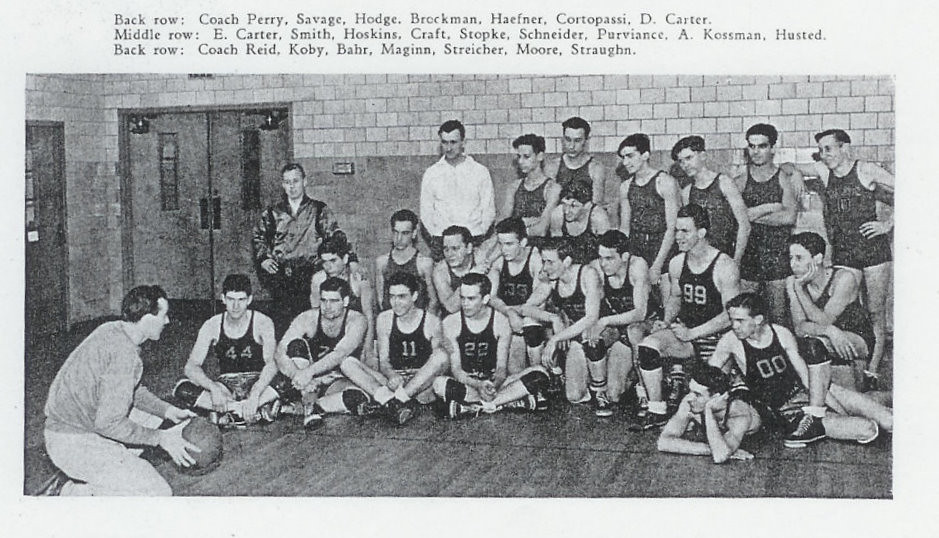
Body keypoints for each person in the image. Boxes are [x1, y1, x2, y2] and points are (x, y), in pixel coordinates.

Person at [41, 285, 198, 496]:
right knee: (158, 492)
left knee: (150, 416)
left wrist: (167, 410)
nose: (167, 321)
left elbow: (127, 389)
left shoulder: (112, 329)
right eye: (164, 315)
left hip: (65, 430)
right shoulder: (125, 355)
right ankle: (72, 494)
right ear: (147, 319)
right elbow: (109, 423)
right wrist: (161, 438)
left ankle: (113, 467)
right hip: (73, 443)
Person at [710, 292, 891, 448]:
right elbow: (706, 377)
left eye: (740, 321)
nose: (734, 326)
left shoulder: (780, 333)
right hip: (791, 410)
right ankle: (871, 400)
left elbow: (806, 378)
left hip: (817, 391)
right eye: (732, 320)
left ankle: (878, 399)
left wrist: (834, 408)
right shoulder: (729, 342)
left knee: (888, 421)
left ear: (757, 320)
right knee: (867, 429)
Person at [632, 204, 741, 430]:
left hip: (718, 340)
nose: (678, 237)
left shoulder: (724, 265)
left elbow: (731, 316)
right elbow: (675, 296)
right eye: (676, 231)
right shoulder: (677, 263)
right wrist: (668, 319)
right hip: (687, 335)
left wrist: (693, 332)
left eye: (685, 231)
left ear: (701, 233)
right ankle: (656, 409)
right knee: (648, 347)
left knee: (709, 405)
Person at [814, 128, 894, 390]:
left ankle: (872, 370)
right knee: (846, 310)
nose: (825, 155)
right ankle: (853, 364)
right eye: (821, 150)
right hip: (844, 253)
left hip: (873, 252)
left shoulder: (866, 170)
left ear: (844, 148)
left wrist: (887, 225)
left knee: (874, 312)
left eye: (829, 149)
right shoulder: (824, 172)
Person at [432, 273, 549, 418]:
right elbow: (456, 369)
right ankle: (505, 402)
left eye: (471, 298)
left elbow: (501, 368)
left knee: (540, 372)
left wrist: (494, 385)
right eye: (462, 298)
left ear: (485, 299)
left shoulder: (501, 322)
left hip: (495, 383)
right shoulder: (451, 323)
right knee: (438, 384)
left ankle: (477, 406)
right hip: (469, 383)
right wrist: (478, 385)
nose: (465, 303)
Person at [340, 272, 450, 426]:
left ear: (414, 296)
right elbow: (384, 361)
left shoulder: (431, 321)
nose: (395, 302)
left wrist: (415, 383)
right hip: (394, 381)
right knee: (347, 363)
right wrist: (392, 376)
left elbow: (438, 365)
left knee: (441, 355)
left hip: (420, 383)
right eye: (392, 296)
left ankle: (396, 400)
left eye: (402, 296)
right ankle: (393, 402)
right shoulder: (384, 319)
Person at [172, 274, 281, 427]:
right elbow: (191, 366)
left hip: (258, 382)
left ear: (249, 300)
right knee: (182, 388)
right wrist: (213, 388)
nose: (235, 306)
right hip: (226, 387)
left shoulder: (262, 322)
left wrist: (256, 392)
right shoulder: (212, 324)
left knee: (289, 376)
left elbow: (272, 363)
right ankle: (246, 410)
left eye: (241, 300)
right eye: (231, 299)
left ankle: (231, 413)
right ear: (223, 298)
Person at [517, 239, 609, 415]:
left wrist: (557, 338)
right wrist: (553, 318)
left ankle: (600, 391)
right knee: (574, 396)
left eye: (550, 262)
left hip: (599, 330)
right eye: (543, 261)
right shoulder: (553, 279)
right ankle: (544, 383)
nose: (545, 268)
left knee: (590, 338)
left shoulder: (587, 274)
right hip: (574, 334)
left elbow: (591, 317)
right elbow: (526, 307)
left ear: (566, 261)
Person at [253, 163, 341, 333]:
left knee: (309, 322)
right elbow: (258, 237)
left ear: (304, 181)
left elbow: (336, 236)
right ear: (282, 184)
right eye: (287, 182)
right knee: (282, 324)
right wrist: (263, 258)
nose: (292, 186)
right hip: (282, 276)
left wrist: (350, 260)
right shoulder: (273, 213)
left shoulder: (318, 209)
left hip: (309, 274)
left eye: (295, 181)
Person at [273, 277, 370, 430]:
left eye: (333, 301)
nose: (327, 306)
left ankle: (303, 407)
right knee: (295, 346)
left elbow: (340, 353)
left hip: (335, 379)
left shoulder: (357, 320)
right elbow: (280, 351)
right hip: (306, 380)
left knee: (357, 398)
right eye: (323, 300)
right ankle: (307, 405)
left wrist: (308, 374)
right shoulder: (307, 317)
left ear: (345, 301)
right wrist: (299, 375)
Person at [786, 232, 876, 391]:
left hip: (856, 337)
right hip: (828, 335)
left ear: (818, 259)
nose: (793, 264)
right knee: (812, 344)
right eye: (791, 258)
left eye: (799, 258)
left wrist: (800, 290)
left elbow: (825, 319)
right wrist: (829, 331)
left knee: (815, 344)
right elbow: (799, 327)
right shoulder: (792, 281)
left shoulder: (843, 278)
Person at [734, 124, 801, 325]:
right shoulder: (740, 178)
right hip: (749, 255)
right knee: (744, 315)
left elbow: (789, 217)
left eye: (762, 146)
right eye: (752, 146)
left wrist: (752, 214)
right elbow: (736, 216)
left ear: (772, 148)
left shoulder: (782, 177)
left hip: (777, 256)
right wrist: (770, 206)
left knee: (778, 316)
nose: (756, 152)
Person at [584, 230, 653, 410]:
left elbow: (640, 313)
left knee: (634, 331)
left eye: (609, 258)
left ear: (624, 256)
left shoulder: (637, 266)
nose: (603, 264)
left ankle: (643, 388)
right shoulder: (595, 268)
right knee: (613, 395)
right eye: (601, 257)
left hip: (645, 326)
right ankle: (601, 388)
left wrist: (605, 321)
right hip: (618, 329)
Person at [617, 133, 681, 313]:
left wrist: (658, 264)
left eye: (630, 156)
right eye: (623, 157)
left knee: (667, 303)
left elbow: (671, 228)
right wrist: (624, 259)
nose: (625, 162)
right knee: (642, 304)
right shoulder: (626, 187)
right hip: (637, 246)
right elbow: (624, 228)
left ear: (645, 155)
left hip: (663, 246)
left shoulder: (665, 182)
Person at [419, 119, 496, 262]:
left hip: (473, 241)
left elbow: (489, 210)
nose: (448, 148)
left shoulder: (480, 171)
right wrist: (439, 237)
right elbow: (426, 213)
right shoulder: (432, 173)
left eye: (453, 142)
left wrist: (476, 236)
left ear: (463, 143)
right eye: (444, 142)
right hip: (442, 243)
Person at [657, 363, 761, 463]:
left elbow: (720, 456)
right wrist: (709, 448)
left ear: (716, 398)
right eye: (690, 391)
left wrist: (708, 410)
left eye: (698, 394)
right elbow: (663, 442)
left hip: (761, 413)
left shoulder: (740, 414)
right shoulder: (690, 400)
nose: (690, 398)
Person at [674, 136, 751, 265]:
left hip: (726, 255)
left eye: (689, 158)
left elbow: (744, 226)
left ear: (703, 156)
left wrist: (736, 261)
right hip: (701, 259)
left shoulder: (724, 183)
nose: (685, 165)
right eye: (681, 161)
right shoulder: (687, 192)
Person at [487, 217, 546, 374]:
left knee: (530, 323)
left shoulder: (535, 259)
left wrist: (513, 312)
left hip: (532, 318)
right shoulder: (499, 263)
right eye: (500, 244)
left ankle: (541, 373)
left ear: (523, 242)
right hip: (510, 319)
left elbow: (538, 300)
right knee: (515, 371)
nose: (504, 249)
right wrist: (509, 312)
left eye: (509, 244)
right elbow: (491, 297)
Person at [309, 232, 376, 365]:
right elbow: (314, 316)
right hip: (329, 338)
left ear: (345, 259)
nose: (328, 267)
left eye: (333, 261)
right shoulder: (318, 279)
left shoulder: (358, 279)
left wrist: (368, 350)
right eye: (324, 262)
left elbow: (369, 316)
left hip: (355, 337)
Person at [375, 209, 438, 314]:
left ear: (414, 234)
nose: (399, 238)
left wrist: (423, 325)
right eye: (396, 232)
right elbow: (381, 301)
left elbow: (433, 301)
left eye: (405, 233)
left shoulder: (424, 263)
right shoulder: (382, 262)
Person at [545, 116, 607, 210]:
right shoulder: (553, 166)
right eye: (568, 139)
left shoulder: (595, 168)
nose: (571, 146)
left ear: (586, 141)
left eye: (577, 140)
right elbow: (549, 205)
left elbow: (596, 206)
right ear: (563, 139)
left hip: (585, 219)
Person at [549, 181, 612, 265]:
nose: (566, 211)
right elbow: (555, 252)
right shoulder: (557, 214)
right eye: (564, 204)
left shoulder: (598, 217)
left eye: (573, 206)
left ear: (587, 206)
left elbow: (606, 255)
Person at [431, 225, 488, 315]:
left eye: (455, 248)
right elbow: (451, 307)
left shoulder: (479, 256)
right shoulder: (440, 271)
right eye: (446, 249)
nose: (450, 254)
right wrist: (471, 276)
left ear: (469, 248)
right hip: (454, 320)